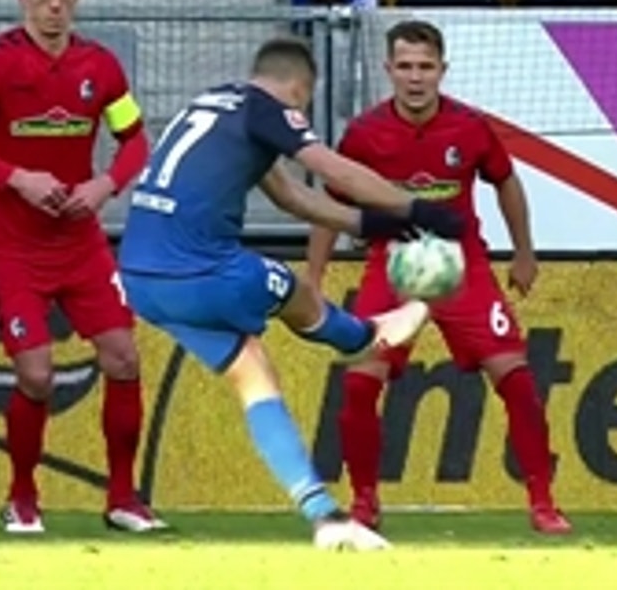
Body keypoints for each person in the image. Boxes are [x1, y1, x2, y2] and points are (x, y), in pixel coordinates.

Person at [116, 36, 463, 550]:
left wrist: (377, 224)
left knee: (255, 376)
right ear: (300, 90)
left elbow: (293, 196)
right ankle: (364, 337)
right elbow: (332, 170)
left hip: (141, 276)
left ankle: (324, 517)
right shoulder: (271, 108)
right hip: (203, 270)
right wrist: (416, 209)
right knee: (293, 290)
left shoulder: (213, 102)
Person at [306, 19, 572, 535]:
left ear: (442, 71)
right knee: (360, 384)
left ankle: (543, 502)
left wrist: (524, 253)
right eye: (405, 66)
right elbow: (329, 206)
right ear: (388, 70)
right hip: (395, 264)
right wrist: (314, 276)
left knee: (516, 381)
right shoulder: (363, 133)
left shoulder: (469, 127)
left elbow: (506, 183)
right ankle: (365, 502)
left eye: (425, 67)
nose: (415, 77)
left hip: (462, 266)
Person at [0, 0, 162, 534]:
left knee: (124, 357)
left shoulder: (100, 67)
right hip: (11, 244)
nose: (54, 4)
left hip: (80, 239)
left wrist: (105, 185)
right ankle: (22, 496)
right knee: (37, 374)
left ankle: (122, 498)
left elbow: (135, 142)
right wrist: (17, 179)